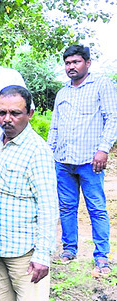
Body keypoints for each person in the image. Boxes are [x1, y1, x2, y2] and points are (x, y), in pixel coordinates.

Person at [0, 85, 59, 301]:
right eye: (1, 112)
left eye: (15, 113)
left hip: (26, 255)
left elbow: (48, 204)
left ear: (29, 114)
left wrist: (43, 254)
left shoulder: (36, 150)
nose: (7, 118)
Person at [48, 45, 117, 276]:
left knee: (96, 208)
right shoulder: (62, 93)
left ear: (87, 63)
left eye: (76, 62)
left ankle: (102, 256)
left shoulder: (102, 85)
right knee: (66, 207)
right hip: (63, 160)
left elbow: (112, 119)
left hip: (90, 160)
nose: (71, 67)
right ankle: (69, 249)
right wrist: (50, 154)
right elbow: (55, 126)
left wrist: (103, 149)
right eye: (68, 63)